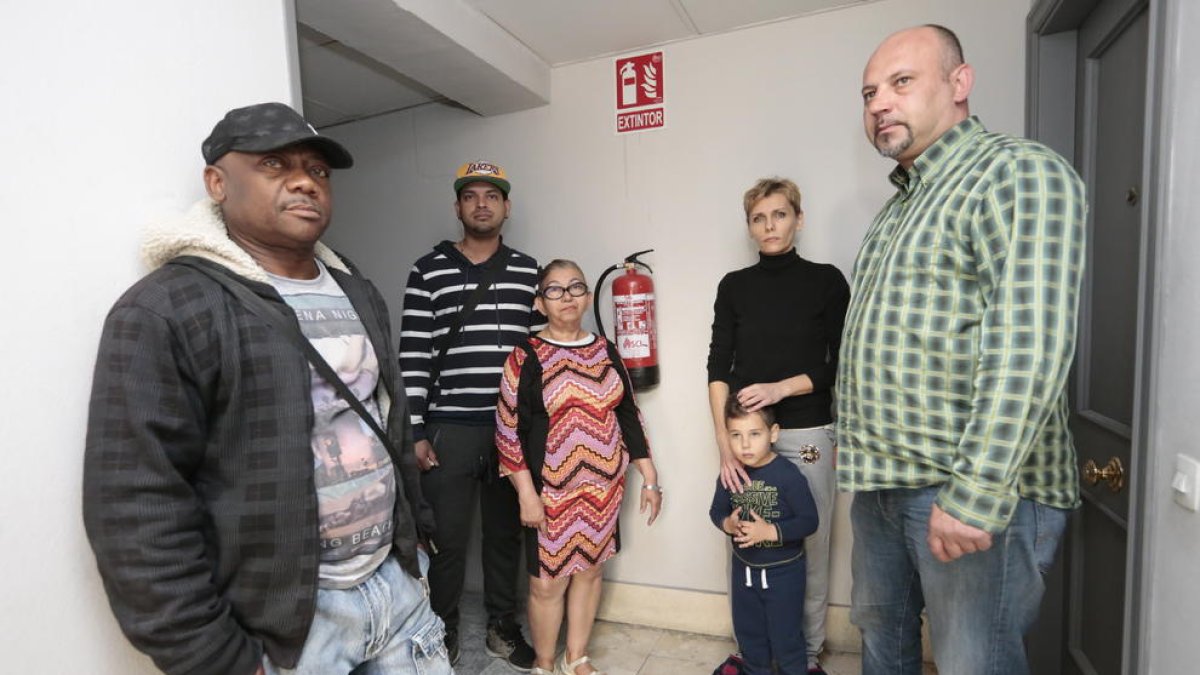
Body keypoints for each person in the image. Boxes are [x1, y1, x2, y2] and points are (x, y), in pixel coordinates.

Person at [82, 102, 450, 675]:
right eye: (274, 164)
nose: (305, 180)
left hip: (395, 591)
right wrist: (213, 657)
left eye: (318, 170)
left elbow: (387, 423)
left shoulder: (359, 292)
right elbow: (136, 506)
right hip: (287, 629)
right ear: (217, 183)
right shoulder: (167, 309)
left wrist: (415, 544)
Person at [838, 25, 1086, 674]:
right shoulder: (896, 211)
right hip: (883, 484)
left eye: (900, 82)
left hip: (965, 490)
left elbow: (1028, 342)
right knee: (881, 643)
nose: (879, 104)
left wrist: (973, 493)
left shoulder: (1017, 172)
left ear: (959, 83)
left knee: (973, 661)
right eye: (869, 93)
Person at [706, 177, 849, 674]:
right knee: (746, 535)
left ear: (798, 219)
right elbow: (717, 367)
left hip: (807, 432)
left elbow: (841, 365)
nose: (770, 225)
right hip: (745, 437)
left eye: (780, 214)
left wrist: (780, 389)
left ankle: (804, 656)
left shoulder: (826, 280)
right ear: (750, 227)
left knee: (805, 540)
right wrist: (725, 444)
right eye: (759, 218)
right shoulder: (734, 286)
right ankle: (752, 652)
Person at [400, 160, 540, 668]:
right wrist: (414, 429)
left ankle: (503, 627)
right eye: (471, 195)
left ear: (507, 207)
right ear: (458, 206)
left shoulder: (529, 272)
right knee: (446, 540)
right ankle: (442, 630)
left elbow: (543, 351)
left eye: (492, 196)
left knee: (506, 535)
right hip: (450, 427)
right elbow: (412, 355)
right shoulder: (428, 270)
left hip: (510, 430)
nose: (482, 204)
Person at [495, 259, 662, 675]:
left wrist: (649, 474)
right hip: (549, 491)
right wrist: (526, 495)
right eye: (554, 289)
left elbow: (628, 413)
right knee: (546, 584)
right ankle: (546, 663)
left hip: (604, 488)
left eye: (575, 287)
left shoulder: (606, 351)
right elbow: (506, 430)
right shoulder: (525, 356)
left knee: (589, 571)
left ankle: (577, 657)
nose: (566, 296)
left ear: (587, 297)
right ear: (539, 303)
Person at [710, 397, 819, 675]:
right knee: (751, 636)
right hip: (744, 573)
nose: (745, 445)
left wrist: (770, 531)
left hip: (784, 575)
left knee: (786, 638)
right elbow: (716, 511)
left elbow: (809, 521)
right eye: (736, 435)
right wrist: (728, 524)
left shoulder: (788, 475)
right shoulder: (730, 474)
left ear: (773, 434)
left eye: (754, 434)